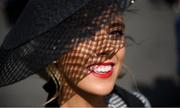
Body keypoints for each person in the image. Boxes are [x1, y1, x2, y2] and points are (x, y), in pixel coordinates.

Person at [0, 0, 151, 107]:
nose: (107, 47)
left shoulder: (138, 103)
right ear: (51, 50)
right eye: (84, 34)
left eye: (115, 32)